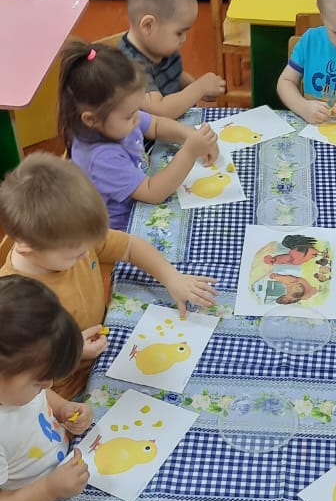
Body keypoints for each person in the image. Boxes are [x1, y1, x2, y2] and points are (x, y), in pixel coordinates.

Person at [0, 154, 218, 399]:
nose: (86, 254)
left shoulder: (70, 235)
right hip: (62, 393)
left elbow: (129, 246)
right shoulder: (13, 306)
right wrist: (74, 353)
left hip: (103, 351)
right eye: (75, 254)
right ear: (27, 247)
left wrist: (172, 277)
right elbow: (22, 382)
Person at [59, 39, 219, 230]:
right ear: (91, 119)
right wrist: (190, 152)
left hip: (143, 195)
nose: (137, 118)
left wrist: (190, 135)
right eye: (129, 115)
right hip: (123, 230)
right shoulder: (101, 158)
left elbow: (156, 125)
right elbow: (153, 192)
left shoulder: (115, 120)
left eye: (137, 109)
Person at [0, 276, 92, 501]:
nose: (49, 385)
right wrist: (49, 488)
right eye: (38, 382)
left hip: (63, 477)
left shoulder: (15, 388)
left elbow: (42, 396)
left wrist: (63, 407)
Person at [119, 0, 226, 118]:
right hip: (153, 131)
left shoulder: (159, 46)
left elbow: (176, 74)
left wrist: (195, 86)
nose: (184, 39)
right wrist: (199, 88)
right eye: (179, 32)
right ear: (148, 26)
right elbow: (160, 110)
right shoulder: (130, 66)